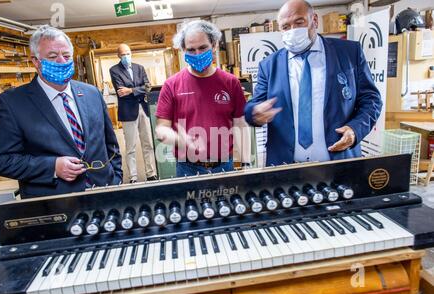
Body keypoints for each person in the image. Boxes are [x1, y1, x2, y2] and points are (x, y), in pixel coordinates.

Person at [0, 25, 122, 199]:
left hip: (104, 192)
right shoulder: (12, 103)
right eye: (52, 56)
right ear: (36, 61)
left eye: (66, 56)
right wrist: (52, 166)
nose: (61, 61)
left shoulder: (91, 93)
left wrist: (117, 179)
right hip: (54, 201)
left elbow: (110, 144)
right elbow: (0, 161)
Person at [244, 0, 382, 166]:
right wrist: (254, 113)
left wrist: (355, 129)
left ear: (314, 20)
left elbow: (371, 100)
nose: (293, 30)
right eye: (286, 27)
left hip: (340, 162)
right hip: (285, 167)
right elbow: (254, 106)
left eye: (299, 22)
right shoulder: (269, 65)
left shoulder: (349, 53)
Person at [155, 20, 251, 177]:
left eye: (203, 48)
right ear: (183, 50)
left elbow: (240, 124)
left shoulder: (230, 82)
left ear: (213, 45)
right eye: (191, 50)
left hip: (224, 166)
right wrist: (182, 139)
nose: (198, 54)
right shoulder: (171, 85)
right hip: (188, 168)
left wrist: (246, 162)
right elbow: (161, 129)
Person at [109, 44, 157, 183]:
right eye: (123, 54)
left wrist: (131, 90)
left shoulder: (139, 68)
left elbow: (148, 86)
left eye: (128, 53)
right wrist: (138, 89)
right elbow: (120, 91)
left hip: (143, 109)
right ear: (118, 55)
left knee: (148, 143)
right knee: (130, 147)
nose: (126, 56)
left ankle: (151, 173)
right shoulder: (114, 70)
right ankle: (133, 177)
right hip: (128, 112)